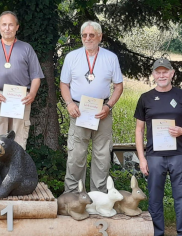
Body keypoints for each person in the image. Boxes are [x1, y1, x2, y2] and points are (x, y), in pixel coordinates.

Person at [135, 58, 182, 236]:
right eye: (158, 72)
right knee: (155, 199)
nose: (161, 75)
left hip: (178, 154)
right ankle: (157, 233)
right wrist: (142, 158)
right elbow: (139, 130)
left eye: (165, 72)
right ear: (154, 74)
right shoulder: (145, 98)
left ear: (172, 73)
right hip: (154, 156)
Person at [60, 21, 124, 193]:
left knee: (102, 156)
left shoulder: (110, 58)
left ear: (100, 37)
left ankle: (99, 197)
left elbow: (119, 86)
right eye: (84, 35)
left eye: (91, 35)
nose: (87, 38)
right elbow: (64, 84)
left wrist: (109, 106)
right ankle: (74, 197)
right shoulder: (71, 57)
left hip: (102, 109)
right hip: (78, 110)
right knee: (76, 155)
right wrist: (69, 104)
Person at [0, 11, 44, 150]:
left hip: (21, 99)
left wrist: (32, 94)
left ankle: (15, 172)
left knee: (18, 139)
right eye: (4, 24)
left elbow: (36, 76)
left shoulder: (26, 48)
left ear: (17, 27)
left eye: (11, 25)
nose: (7, 28)